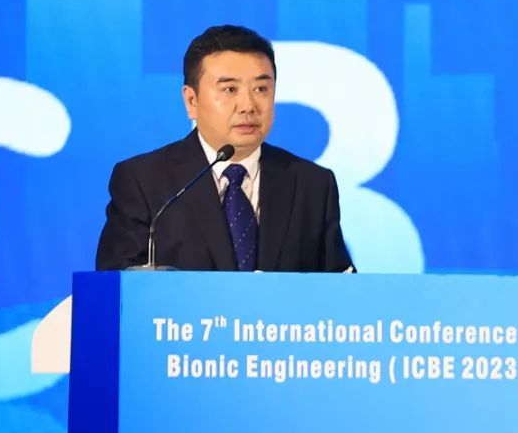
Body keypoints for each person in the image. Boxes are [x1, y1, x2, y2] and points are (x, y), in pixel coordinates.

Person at [95, 25, 354, 272]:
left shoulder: (313, 185)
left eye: (261, 89)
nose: (248, 105)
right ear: (191, 100)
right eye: (230, 89)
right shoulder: (144, 181)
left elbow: (340, 288)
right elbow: (117, 287)